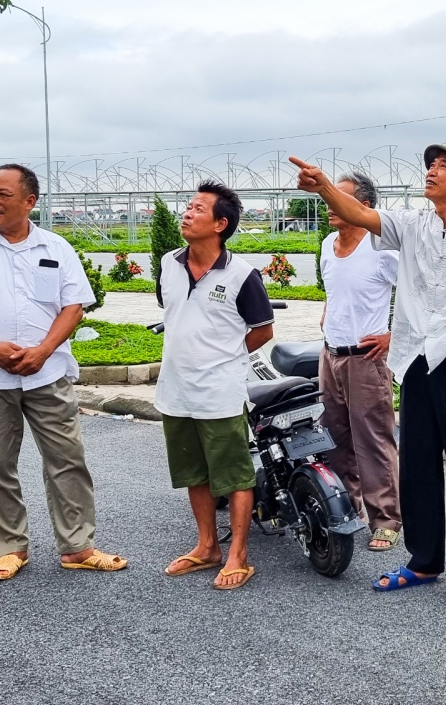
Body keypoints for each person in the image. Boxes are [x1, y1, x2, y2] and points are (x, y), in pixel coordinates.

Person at [291, 143, 446, 609]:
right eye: (430, 165)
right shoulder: (411, 224)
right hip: (416, 360)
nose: (431, 171)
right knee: (418, 463)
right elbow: (360, 215)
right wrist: (324, 186)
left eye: (443, 166)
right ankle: (423, 561)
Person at [0, 164, 127, 581]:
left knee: (67, 459)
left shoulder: (56, 248)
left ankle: (78, 547)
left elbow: (73, 307)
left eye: (2, 194)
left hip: (46, 373)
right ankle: (8, 547)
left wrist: (43, 350)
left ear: (29, 202)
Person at [156, 181, 275, 591]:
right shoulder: (168, 264)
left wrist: (225, 355)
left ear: (221, 224)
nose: (187, 214)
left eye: (198, 209)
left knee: (235, 475)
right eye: (187, 207)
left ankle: (238, 555)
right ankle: (207, 547)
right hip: (175, 389)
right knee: (194, 471)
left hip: (219, 391)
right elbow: (176, 316)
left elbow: (262, 330)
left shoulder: (242, 275)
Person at [318, 171, 404, 552]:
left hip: (365, 360)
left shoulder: (381, 248)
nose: (329, 204)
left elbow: (418, 293)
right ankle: (348, 508)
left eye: (339, 196)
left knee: (373, 439)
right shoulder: (326, 245)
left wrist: (392, 336)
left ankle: (385, 518)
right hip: (330, 355)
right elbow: (336, 293)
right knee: (334, 439)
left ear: (363, 206)